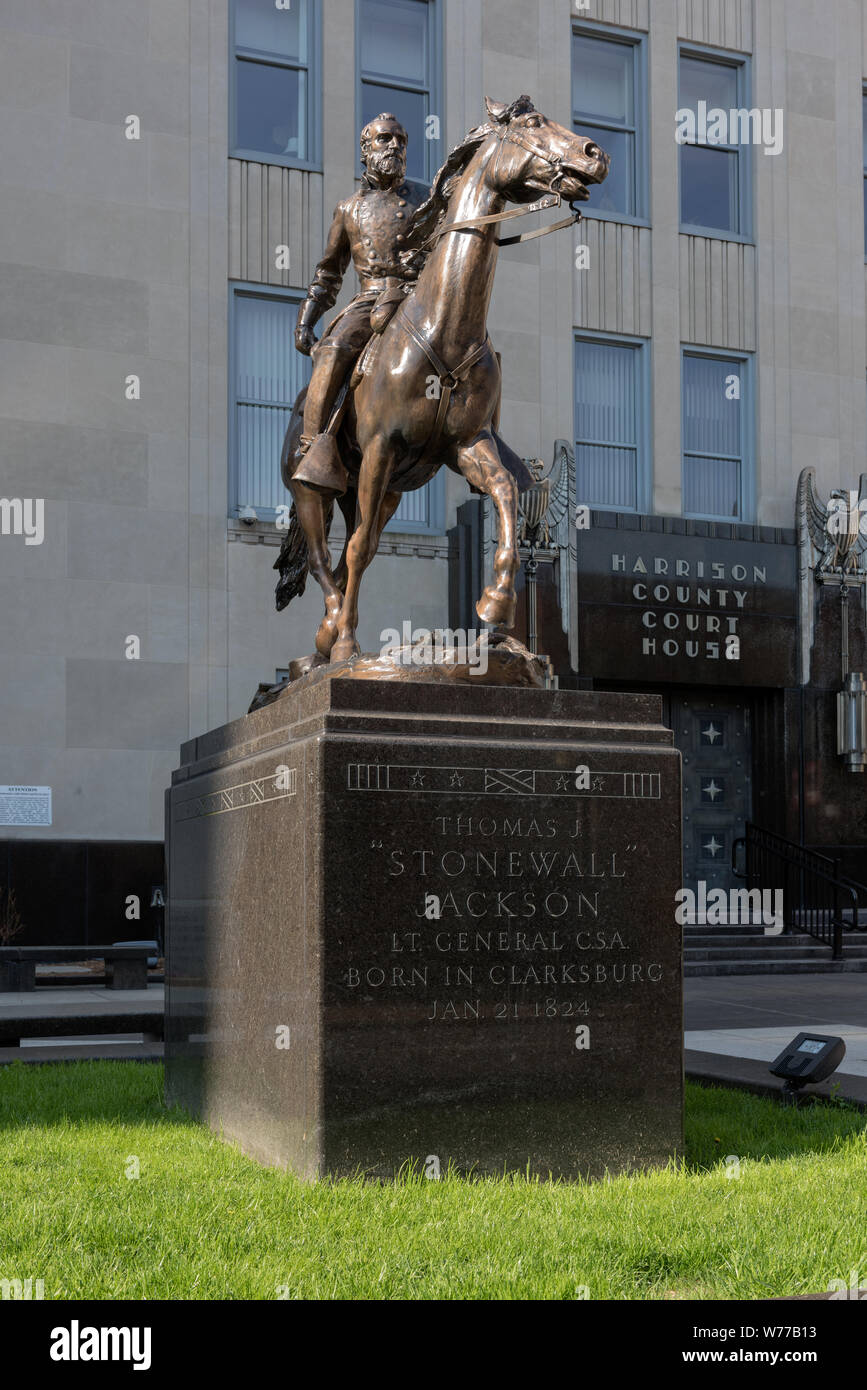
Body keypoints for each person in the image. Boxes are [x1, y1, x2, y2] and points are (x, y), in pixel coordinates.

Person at [293, 113, 429, 492]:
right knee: (334, 349)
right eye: (385, 140)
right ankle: (315, 448)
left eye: (401, 141)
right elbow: (328, 274)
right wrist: (306, 320)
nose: (395, 147)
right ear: (365, 149)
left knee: (474, 345)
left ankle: (487, 432)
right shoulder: (348, 209)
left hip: (416, 296)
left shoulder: (426, 197)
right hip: (370, 299)